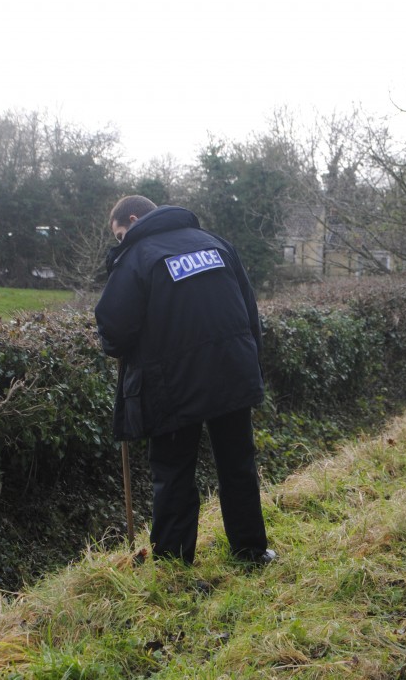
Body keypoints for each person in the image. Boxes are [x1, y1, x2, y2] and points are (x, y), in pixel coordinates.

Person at [94, 195, 275, 566]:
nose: (121, 242)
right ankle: (251, 552)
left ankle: (174, 564)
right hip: (233, 372)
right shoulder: (216, 244)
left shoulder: (137, 257)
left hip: (172, 385)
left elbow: (114, 329)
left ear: (133, 220)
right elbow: (250, 311)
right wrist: (251, 365)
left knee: (174, 471)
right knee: (237, 464)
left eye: (120, 234)